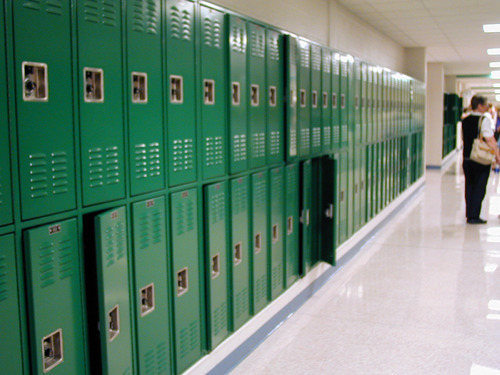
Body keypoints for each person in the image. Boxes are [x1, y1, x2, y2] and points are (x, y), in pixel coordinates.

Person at [461, 95, 500, 224]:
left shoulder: (465, 120)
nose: (486, 107)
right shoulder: (484, 119)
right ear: (479, 106)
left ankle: (469, 214)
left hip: (467, 157)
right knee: (479, 186)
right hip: (480, 158)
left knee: (469, 185)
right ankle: (474, 216)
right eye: (485, 105)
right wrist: (497, 155)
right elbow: (489, 139)